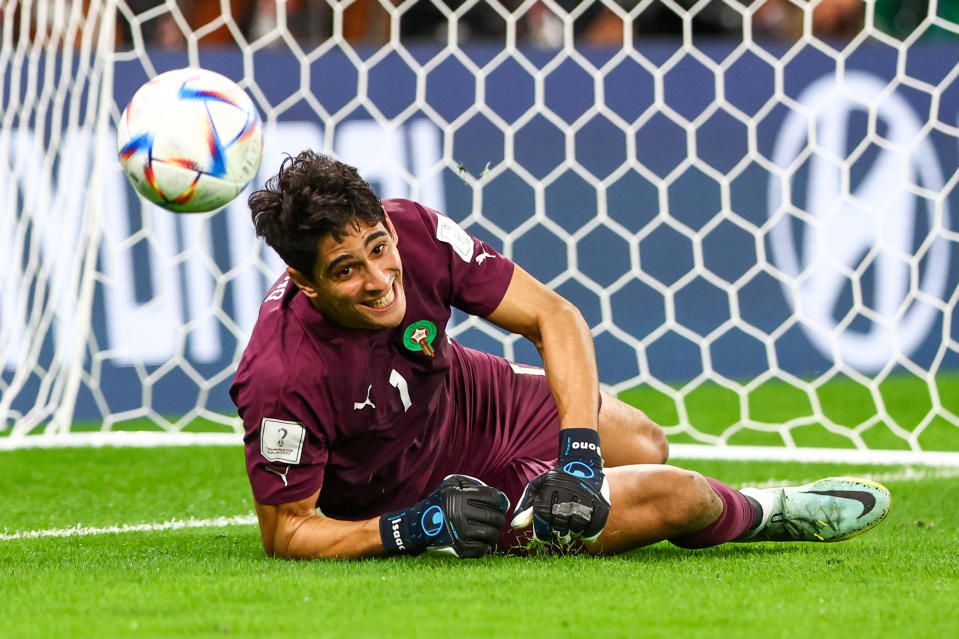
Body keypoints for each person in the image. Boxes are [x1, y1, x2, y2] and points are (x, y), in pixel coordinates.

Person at [230, 150, 891, 559]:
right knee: (674, 494)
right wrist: (414, 525)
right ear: (306, 280)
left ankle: (570, 471)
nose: (378, 279)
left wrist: (577, 454)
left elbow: (553, 315)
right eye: (347, 270)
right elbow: (288, 532)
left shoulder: (416, 229)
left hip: (469, 401)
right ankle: (766, 512)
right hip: (428, 493)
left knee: (643, 442)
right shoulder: (281, 373)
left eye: (378, 247)